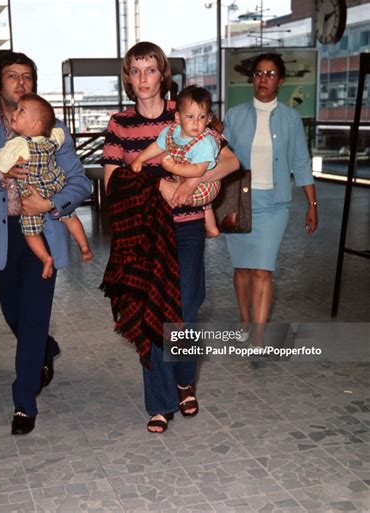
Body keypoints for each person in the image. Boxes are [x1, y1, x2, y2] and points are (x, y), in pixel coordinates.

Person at [101, 42, 239, 433]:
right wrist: (158, 184)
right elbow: (113, 183)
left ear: (163, 75)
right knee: (154, 314)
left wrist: (190, 180)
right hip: (144, 232)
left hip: (187, 227)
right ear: (128, 77)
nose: (143, 78)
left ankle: (184, 379)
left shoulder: (186, 115)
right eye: (135, 70)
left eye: (150, 69)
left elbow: (229, 160)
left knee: (186, 311)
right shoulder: (120, 124)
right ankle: (160, 402)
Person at [0, 52, 91, 435]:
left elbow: (79, 181)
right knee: (13, 313)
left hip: (42, 231)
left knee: (33, 317)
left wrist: (51, 202)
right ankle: (46, 350)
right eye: (12, 76)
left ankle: (24, 402)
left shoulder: (53, 128)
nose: (21, 82)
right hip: (3, 234)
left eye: (27, 76)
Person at [223, 52, 318, 344]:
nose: (263, 79)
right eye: (259, 74)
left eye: (270, 74)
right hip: (238, 201)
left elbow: (301, 162)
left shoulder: (291, 119)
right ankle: (243, 320)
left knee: (263, 269)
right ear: (252, 79)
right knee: (242, 268)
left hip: (275, 205)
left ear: (281, 81)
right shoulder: (234, 115)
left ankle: (259, 337)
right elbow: (219, 156)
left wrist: (312, 205)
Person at [0, 92, 93, 278]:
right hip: (55, 186)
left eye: (21, 111)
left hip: (31, 193)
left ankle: (45, 258)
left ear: (35, 125)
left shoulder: (18, 143)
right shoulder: (54, 136)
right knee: (70, 217)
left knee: (30, 231)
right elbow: (59, 134)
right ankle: (84, 246)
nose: (15, 113)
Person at [131, 85, 221, 237]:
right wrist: (140, 159)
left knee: (173, 195)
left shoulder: (205, 141)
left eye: (202, 117)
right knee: (181, 192)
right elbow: (157, 146)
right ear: (178, 117)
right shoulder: (172, 131)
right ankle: (212, 228)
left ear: (209, 118)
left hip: (206, 184)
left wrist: (173, 168)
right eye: (190, 117)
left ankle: (166, 224)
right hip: (187, 177)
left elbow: (199, 171)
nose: (196, 123)